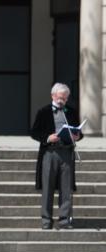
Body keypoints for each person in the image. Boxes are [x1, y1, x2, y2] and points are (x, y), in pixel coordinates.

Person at [30, 83, 83, 230]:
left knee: (66, 188)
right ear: (53, 96)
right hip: (50, 153)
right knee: (47, 187)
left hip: (66, 152)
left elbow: (79, 131)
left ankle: (65, 220)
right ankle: (46, 220)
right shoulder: (43, 112)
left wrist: (77, 136)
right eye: (60, 97)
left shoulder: (71, 112)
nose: (62, 101)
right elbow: (34, 132)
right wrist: (47, 138)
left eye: (65, 98)